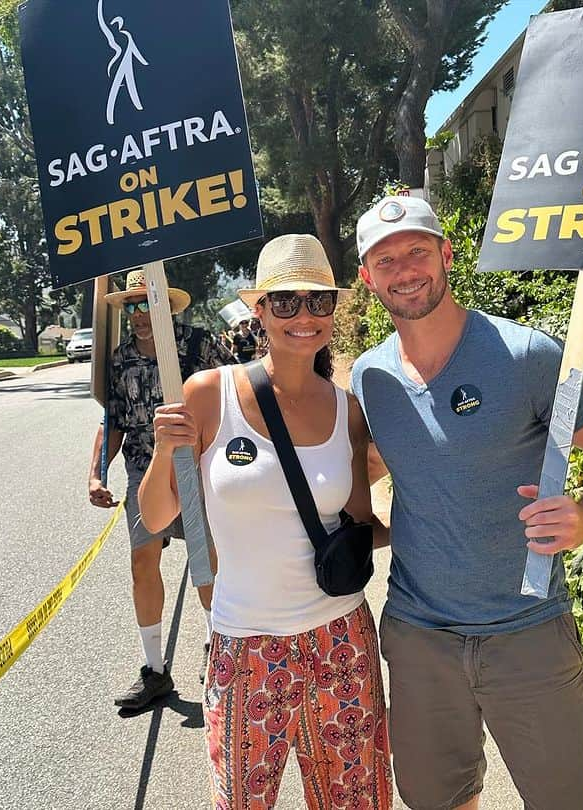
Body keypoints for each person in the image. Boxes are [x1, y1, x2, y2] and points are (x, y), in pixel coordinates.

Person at [350, 196, 583, 810]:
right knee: (438, 799)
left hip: (528, 632)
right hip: (419, 636)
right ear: (366, 277)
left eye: (416, 250)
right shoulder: (368, 379)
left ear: (446, 254)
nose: (404, 269)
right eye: (385, 259)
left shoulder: (526, 356)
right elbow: (386, 474)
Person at [139, 234, 393, 809]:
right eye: (285, 302)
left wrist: (426, 512)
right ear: (259, 309)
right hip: (246, 646)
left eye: (318, 302)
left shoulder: (347, 410)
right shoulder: (209, 396)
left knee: (355, 800)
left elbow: (357, 528)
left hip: (340, 641)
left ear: (334, 309)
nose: (303, 316)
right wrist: (164, 450)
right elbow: (156, 515)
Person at [87, 268, 233, 712]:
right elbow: (113, 422)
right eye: (131, 305)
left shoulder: (198, 345)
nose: (137, 314)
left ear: (166, 306)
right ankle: (154, 670)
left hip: (194, 470)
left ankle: (219, 653)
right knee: (142, 561)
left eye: (146, 303)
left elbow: (238, 393)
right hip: (143, 471)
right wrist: (96, 473)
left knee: (204, 564)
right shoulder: (120, 359)